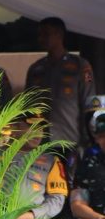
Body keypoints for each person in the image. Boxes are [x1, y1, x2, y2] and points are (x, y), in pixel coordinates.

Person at [25, 17, 95, 150]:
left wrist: (89, 140)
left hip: (70, 140)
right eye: (40, 34)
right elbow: (27, 106)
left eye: (46, 34)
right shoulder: (36, 69)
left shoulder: (81, 66)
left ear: (59, 34)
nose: (41, 39)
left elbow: (89, 104)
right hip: (40, 143)